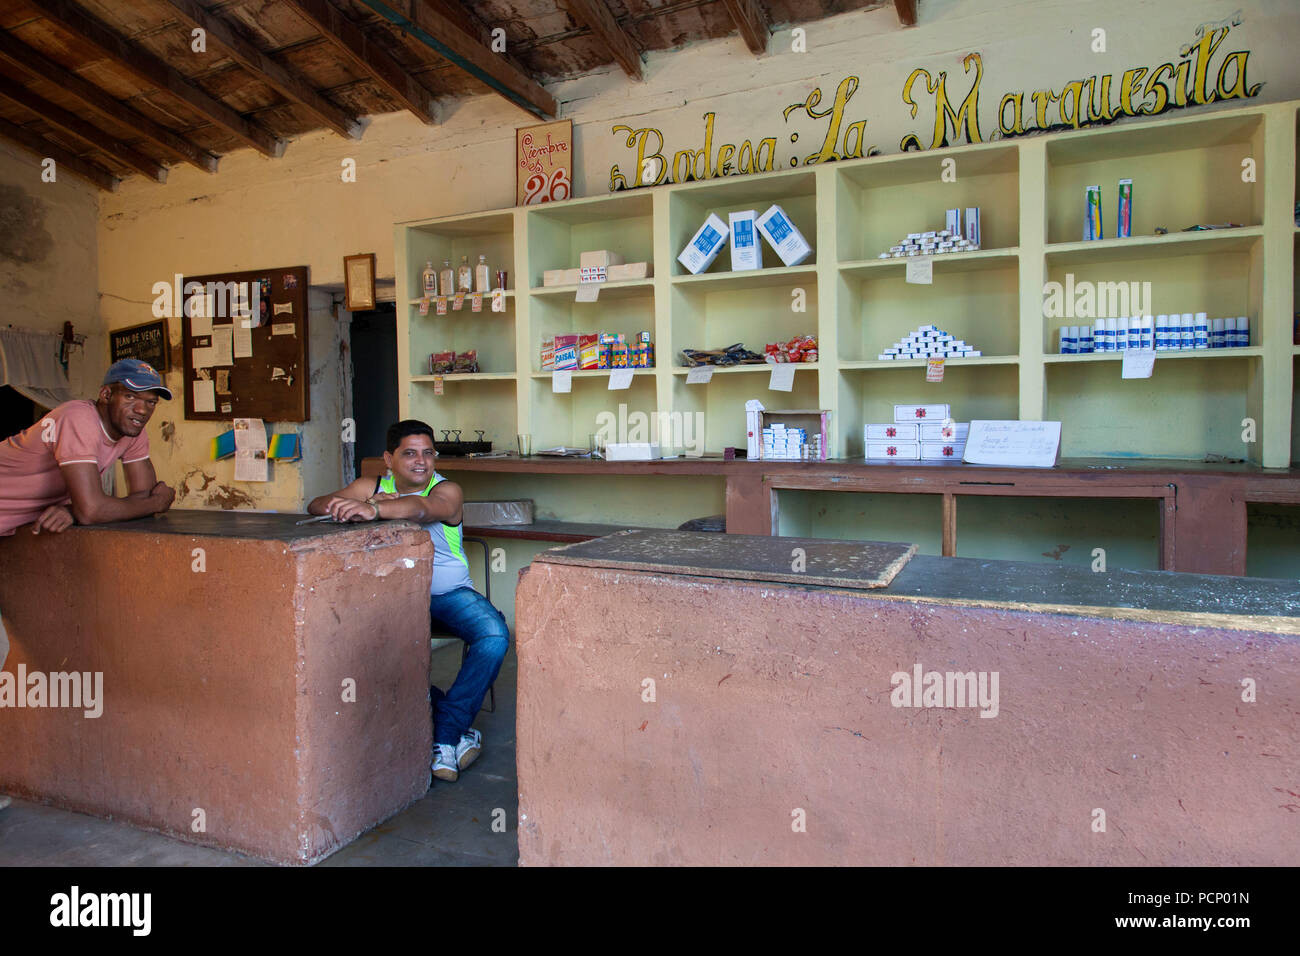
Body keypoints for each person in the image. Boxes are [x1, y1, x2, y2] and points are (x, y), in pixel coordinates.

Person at [307, 419, 509, 784]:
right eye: (410, 453)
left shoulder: (447, 489)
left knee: (494, 635)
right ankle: (453, 732)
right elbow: (316, 505)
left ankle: (443, 733)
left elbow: (422, 509)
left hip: (448, 595)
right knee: (365, 649)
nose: (421, 461)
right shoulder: (372, 485)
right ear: (389, 459)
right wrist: (365, 501)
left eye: (428, 453)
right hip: (393, 598)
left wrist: (376, 510)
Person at [0, 359, 176, 674]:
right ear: (106, 395)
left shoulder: (132, 431)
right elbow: (102, 509)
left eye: (150, 402)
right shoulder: (78, 417)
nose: (141, 409)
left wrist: (74, 510)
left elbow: (138, 497)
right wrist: (157, 503)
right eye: (131, 397)